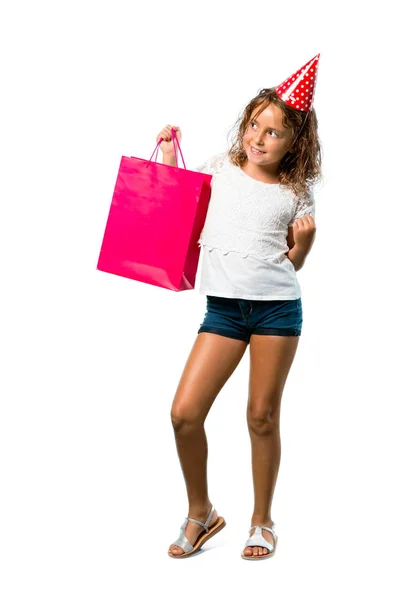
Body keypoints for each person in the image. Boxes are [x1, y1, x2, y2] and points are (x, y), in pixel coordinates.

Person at [155, 54, 322, 560]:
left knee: (261, 416)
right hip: (225, 312)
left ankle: (262, 520)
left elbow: (290, 264)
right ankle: (201, 512)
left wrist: (306, 245)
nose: (259, 137)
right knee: (185, 413)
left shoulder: (297, 193)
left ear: (296, 143)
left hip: (276, 312)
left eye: (274, 132)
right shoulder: (220, 169)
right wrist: (166, 151)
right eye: (255, 125)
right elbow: (174, 198)